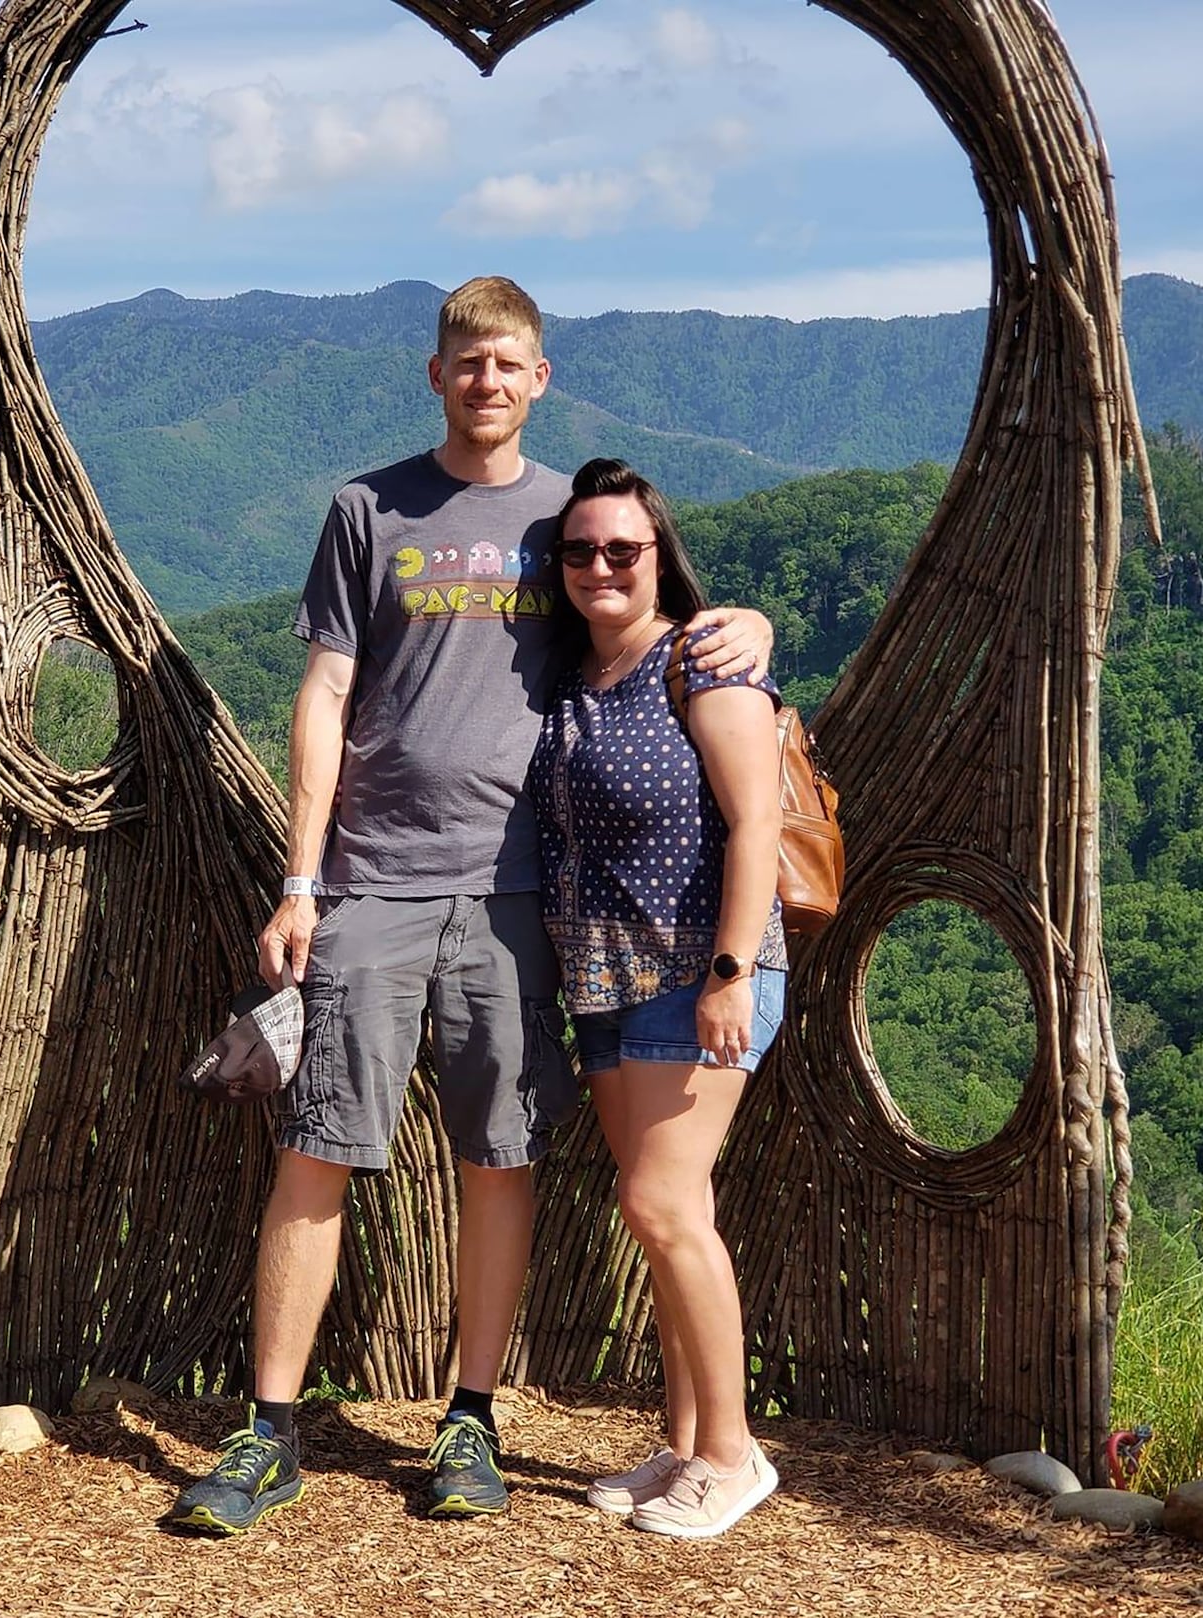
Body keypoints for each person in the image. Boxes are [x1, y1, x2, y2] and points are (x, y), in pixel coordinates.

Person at [169, 278, 773, 1534]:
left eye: (508, 364)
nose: (486, 382)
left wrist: (748, 624)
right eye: (466, 363)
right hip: (374, 878)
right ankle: (268, 1428)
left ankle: (469, 1416)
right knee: (318, 1144)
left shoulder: (573, 515)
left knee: (497, 1156)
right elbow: (325, 693)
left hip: (522, 897)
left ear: (538, 377)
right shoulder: (367, 507)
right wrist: (301, 877)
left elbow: (663, 612)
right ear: (434, 373)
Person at [528, 458, 789, 1540]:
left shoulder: (706, 661)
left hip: (699, 976)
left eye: (622, 549)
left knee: (662, 1206)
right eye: (580, 550)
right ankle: (684, 1442)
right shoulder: (569, 676)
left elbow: (759, 823)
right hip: (601, 983)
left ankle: (733, 1456)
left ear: (657, 556)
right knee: (667, 1216)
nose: (600, 566)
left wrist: (731, 972)